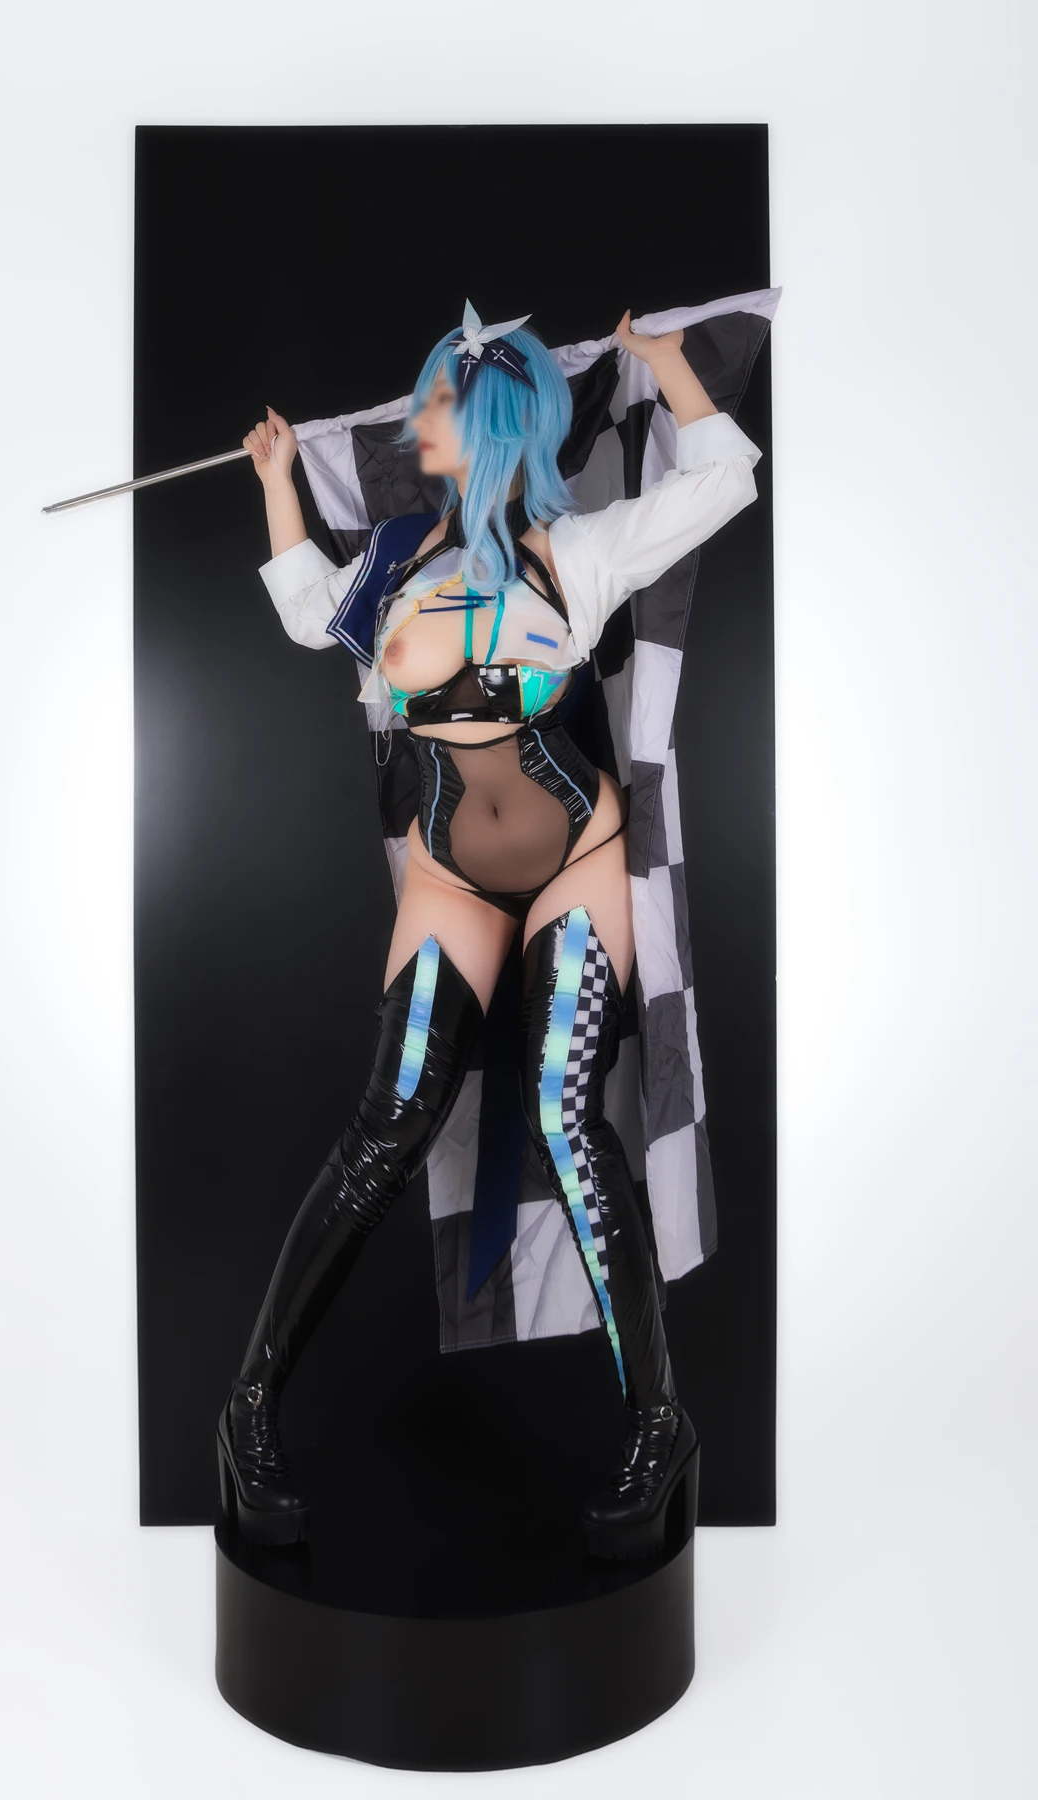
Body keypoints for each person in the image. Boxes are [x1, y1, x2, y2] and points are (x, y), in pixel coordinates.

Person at [216, 303, 762, 1560]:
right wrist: (278, 481)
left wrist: (665, 366)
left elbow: (724, 477)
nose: (418, 417)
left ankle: (660, 1425)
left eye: (438, 400)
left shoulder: (579, 554)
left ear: (495, 421)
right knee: (391, 1124)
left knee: (567, 1122)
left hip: (577, 857)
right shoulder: (392, 564)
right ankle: (247, 1410)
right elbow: (304, 613)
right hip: (450, 875)